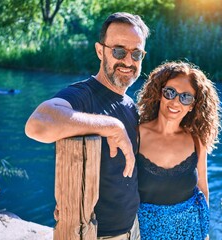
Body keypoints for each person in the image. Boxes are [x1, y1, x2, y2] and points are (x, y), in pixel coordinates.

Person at [25, 12, 149, 239]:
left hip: (133, 229)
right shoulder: (83, 95)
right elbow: (37, 124)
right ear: (100, 51)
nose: (128, 61)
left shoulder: (131, 105)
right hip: (94, 234)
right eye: (119, 51)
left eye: (137, 53)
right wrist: (112, 126)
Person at [135, 61, 222, 239]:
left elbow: (203, 188)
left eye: (185, 97)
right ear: (160, 93)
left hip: (190, 232)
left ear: (192, 105)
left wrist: (204, 234)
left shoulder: (197, 141)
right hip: (144, 232)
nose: (175, 101)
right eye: (170, 92)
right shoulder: (136, 135)